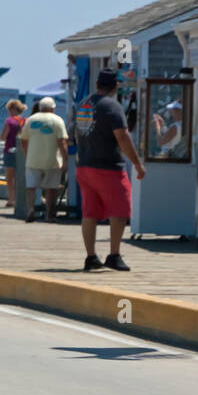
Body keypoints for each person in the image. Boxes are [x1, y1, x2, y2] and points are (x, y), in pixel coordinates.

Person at [74, 69, 145, 271]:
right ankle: (114, 255)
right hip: (107, 167)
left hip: (84, 165)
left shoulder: (84, 104)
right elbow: (122, 136)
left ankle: (90, 256)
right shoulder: (112, 106)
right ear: (115, 85)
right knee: (120, 209)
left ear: (97, 83)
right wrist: (137, 163)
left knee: (90, 212)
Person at [17, 97, 69, 223]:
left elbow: (23, 140)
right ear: (52, 108)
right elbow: (62, 142)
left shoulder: (31, 120)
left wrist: (27, 154)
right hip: (52, 159)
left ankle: (30, 209)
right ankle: (49, 214)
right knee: (52, 188)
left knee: (31, 187)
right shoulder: (57, 120)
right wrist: (65, 160)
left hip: (33, 158)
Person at [0, 100, 26, 209]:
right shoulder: (25, 121)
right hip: (22, 152)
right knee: (20, 177)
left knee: (10, 178)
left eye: (9, 109)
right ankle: (21, 199)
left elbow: (3, 137)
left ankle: (11, 200)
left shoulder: (9, 121)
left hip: (10, 151)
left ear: (13, 109)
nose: (9, 111)